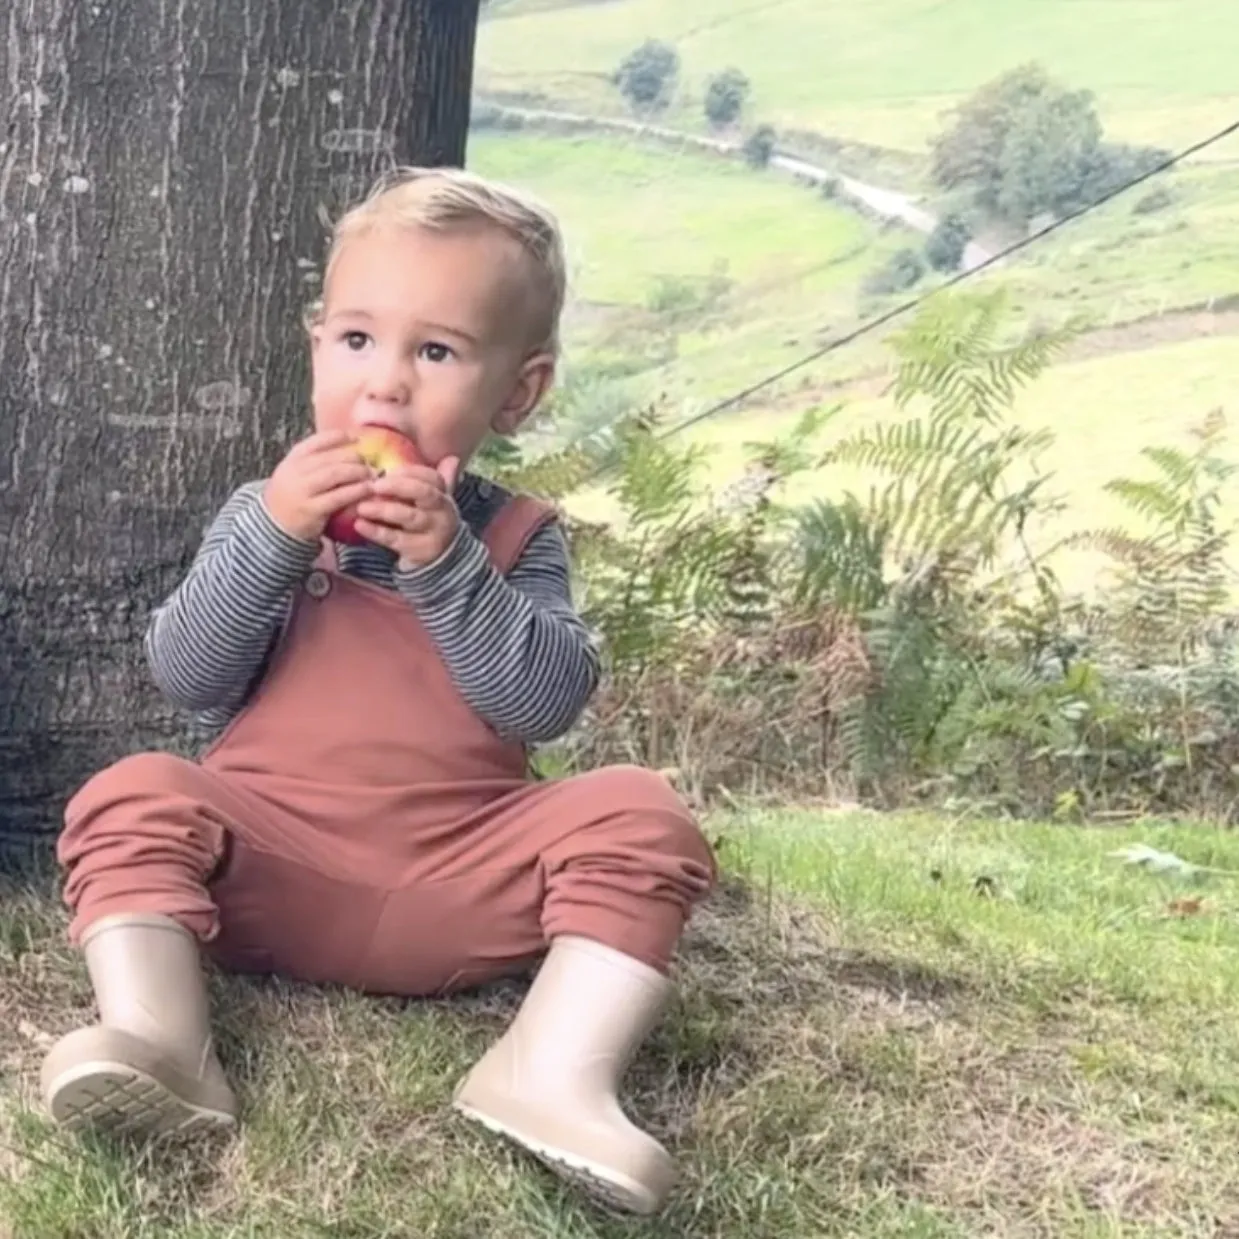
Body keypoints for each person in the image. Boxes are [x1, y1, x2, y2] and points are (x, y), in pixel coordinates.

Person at [41, 165, 716, 1216]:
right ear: (317, 346)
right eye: (357, 340)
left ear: (518, 391)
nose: (385, 385)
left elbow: (543, 703)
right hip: (268, 871)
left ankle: (552, 1072)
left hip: (462, 875)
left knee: (640, 811)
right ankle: (164, 1041)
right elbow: (186, 670)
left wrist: (448, 567)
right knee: (134, 789)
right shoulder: (263, 515)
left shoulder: (515, 536)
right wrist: (273, 534)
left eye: (436, 350)